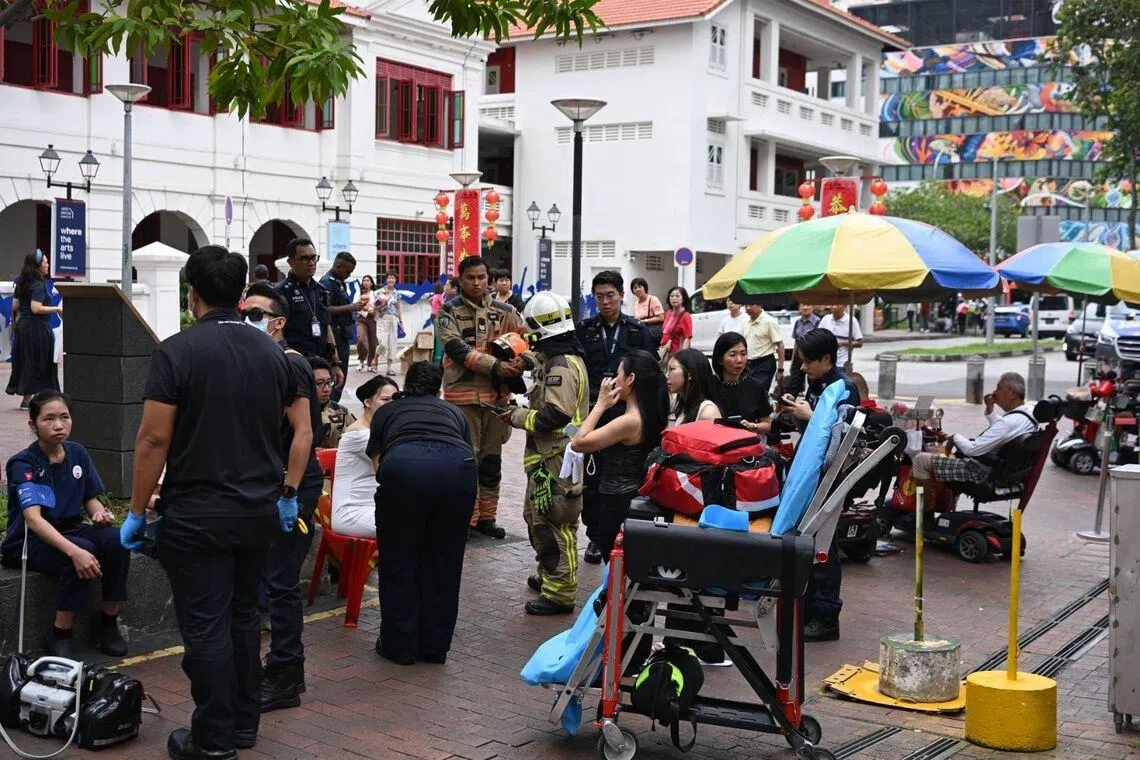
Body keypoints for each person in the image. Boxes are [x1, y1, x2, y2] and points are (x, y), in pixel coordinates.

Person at [121, 245, 294, 759]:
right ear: (241, 294)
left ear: (190, 291)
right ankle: (243, 724)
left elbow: (153, 440)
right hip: (258, 509)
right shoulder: (271, 353)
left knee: (206, 626)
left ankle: (214, 739)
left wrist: (133, 512)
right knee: (243, 616)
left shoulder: (177, 352)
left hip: (198, 513)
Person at [241, 282, 322, 714]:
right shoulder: (260, 360)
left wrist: (289, 493)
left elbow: (304, 433)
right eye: (244, 311)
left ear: (278, 322)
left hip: (288, 484)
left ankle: (286, 674)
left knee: (281, 581)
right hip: (264, 481)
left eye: (256, 313)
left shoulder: (290, 364)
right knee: (264, 578)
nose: (247, 319)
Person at [1, 390, 128, 658]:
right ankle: (61, 633)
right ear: (32, 425)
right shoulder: (23, 463)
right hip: (29, 541)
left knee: (118, 541)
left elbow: (90, 498)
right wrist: (75, 551)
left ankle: (107, 623)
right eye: (48, 419)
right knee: (78, 551)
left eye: (64, 417)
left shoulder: (77, 453)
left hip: (70, 529)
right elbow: (33, 520)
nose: (58, 425)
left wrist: (99, 515)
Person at [368, 361, 477, 665]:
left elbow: (378, 466)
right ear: (439, 388)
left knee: (399, 560)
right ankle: (434, 647)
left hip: (404, 470)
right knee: (444, 562)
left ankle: (399, 646)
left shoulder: (387, 412)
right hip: (458, 474)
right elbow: (467, 451)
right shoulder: (454, 412)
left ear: (406, 383)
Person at [502, 292, 589, 615]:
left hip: (557, 459)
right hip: (551, 459)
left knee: (554, 525)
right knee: (538, 518)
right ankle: (549, 575)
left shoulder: (561, 366)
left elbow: (555, 415)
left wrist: (515, 416)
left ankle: (560, 593)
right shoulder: (561, 360)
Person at [437, 256, 527, 539]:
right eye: (470, 278)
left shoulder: (507, 311)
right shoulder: (447, 311)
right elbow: (457, 350)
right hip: (461, 399)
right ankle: (465, 517)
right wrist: (498, 366)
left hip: (497, 400)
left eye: (481, 277)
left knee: (491, 462)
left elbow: (529, 343)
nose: (477, 283)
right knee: (464, 461)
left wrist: (522, 363)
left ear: (488, 278)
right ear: (460, 279)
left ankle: (487, 517)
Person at [779, 329, 859, 643]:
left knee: (824, 547)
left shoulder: (845, 389)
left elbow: (841, 438)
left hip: (830, 480)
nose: (802, 367)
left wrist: (809, 416)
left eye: (807, 361)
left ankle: (827, 617)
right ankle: (810, 608)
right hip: (812, 475)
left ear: (827, 358)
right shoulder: (818, 383)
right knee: (809, 542)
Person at [575, 271, 655, 564]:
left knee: (623, 475)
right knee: (592, 479)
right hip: (595, 411)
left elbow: (650, 371)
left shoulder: (636, 330)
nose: (605, 301)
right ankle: (595, 537)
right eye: (599, 296)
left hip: (626, 413)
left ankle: (627, 531)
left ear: (622, 295)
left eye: (610, 295)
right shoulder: (584, 329)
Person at [571, 349, 668, 562]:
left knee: (615, 563)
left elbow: (578, 443)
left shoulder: (629, 420)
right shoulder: (649, 413)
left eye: (618, 374)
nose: (614, 380)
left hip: (617, 499)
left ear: (631, 378)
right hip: (632, 495)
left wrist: (600, 404)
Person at [911, 373, 1036, 486]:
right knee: (950, 454)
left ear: (1012, 393)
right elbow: (1005, 431)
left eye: (999, 388)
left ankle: (922, 510)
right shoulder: (1028, 414)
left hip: (980, 471)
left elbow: (972, 449)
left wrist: (955, 437)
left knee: (920, 460)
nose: (995, 392)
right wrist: (990, 410)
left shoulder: (1007, 423)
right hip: (1002, 470)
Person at [332, 375, 398, 538]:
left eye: (395, 400)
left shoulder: (381, 430)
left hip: (375, 506)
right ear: (368, 402)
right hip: (352, 513)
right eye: (385, 399)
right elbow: (397, 462)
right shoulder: (360, 434)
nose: (392, 405)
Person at [275, 237, 344, 389]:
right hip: (296, 364)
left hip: (321, 363)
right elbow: (276, 333)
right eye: (305, 258)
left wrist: (336, 363)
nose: (311, 262)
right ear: (291, 262)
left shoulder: (320, 291)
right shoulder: (280, 293)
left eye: (314, 257)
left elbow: (326, 327)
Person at [6, 250, 61, 406]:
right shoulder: (38, 285)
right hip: (37, 328)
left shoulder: (21, 282)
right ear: (38, 266)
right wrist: (56, 309)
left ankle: (27, 400)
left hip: (23, 328)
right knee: (42, 361)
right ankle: (46, 398)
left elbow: (15, 305)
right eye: (45, 262)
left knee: (28, 361)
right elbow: (36, 308)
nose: (48, 264)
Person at [711, 332, 771, 435]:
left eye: (743, 354)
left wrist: (753, 426)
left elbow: (766, 424)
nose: (739, 360)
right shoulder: (709, 385)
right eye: (733, 355)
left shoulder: (755, 386)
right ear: (720, 360)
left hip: (745, 445)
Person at [319, 252, 360, 402]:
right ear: (338, 266)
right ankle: (331, 408)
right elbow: (325, 310)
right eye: (347, 272)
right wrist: (350, 307)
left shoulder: (338, 281)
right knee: (336, 376)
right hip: (334, 335)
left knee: (341, 375)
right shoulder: (328, 283)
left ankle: (333, 406)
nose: (348, 275)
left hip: (343, 335)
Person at [310, 357, 357, 449]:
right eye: (319, 383)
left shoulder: (341, 412)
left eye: (329, 382)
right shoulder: (297, 413)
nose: (326, 389)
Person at [665, 348, 721, 426]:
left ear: (689, 374)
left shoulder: (708, 412)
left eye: (672, 369)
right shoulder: (683, 406)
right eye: (667, 370)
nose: (666, 375)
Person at [743, 302, 784, 394]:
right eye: (746, 305)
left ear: (760, 305)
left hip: (765, 364)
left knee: (759, 393)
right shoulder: (745, 321)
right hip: (749, 364)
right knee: (747, 393)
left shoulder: (769, 321)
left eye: (751, 305)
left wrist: (780, 369)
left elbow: (780, 345)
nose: (748, 308)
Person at [782, 303, 819, 397]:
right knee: (794, 382)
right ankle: (789, 405)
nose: (805, 307)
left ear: (812, 307)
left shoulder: (817, 321)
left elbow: (819, 341)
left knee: (813, 382)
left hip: (812, 357)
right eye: (803, 305)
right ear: (799, 307)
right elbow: (796, 342)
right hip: (799, 356)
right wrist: (793, 359)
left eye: (808, 305)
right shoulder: (798, 322)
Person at [818, 303, 863, 370]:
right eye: (832, 305)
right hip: (826, 363)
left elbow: (859, 343)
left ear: (845, 306)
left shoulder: (851, 321)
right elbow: (818, 337)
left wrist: (842, 343)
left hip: (842, 363)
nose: (835, 307)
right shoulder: (826, 319)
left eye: (838, 304)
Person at [375, 272, 404, 375]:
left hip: (393, 320)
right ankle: (376, 357)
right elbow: (375, 308)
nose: (391, 280)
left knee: (392, 343)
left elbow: (399, 308)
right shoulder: (379, 292)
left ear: (395, 280)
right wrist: (383, 304)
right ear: (386, 279)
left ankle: (389, 368)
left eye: (393, 278)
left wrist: (401, 322)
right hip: (382, 319)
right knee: (382, 343)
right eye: (389, 278)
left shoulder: (397, 293)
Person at [660, 286, 693, 358]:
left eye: (677, 296)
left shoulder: (686, 316)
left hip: (677, 354)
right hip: (665, 351)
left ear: (683, 298)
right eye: (672, 296)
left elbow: (687, 338)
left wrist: (683, 357)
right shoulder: (668, 313)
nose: (674, 298)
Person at [630, 277, 664, 345]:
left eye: (640, 286)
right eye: (635, 288)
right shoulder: (636, 303)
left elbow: (662, 317)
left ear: (645, 287)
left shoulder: (652, 299)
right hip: (641, 333)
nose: (637, 289)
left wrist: (645, 321)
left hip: (651, 334)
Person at [432, 277, 458, 365]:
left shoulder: (454, 303)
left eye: (447, 285)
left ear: (454, 289)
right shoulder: (446, 299)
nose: (444, 287)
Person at [355, 275, 378, 372]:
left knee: (373, 343)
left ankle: (370, 364)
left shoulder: (375, 293)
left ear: (371, 283)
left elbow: (378, 305)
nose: (366, 282)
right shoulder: (358, 292)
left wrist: (373, 311)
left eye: (368, 280)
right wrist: (366, 309)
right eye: (364, 280)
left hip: (372, 319)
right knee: (361, 339)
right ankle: (361, 361)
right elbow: (355, 305)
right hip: (361, 318)